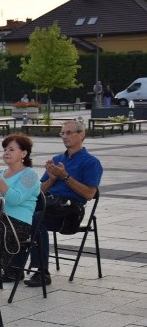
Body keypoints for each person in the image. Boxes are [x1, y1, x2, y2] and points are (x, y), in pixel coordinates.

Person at [24, 120, 102, 287]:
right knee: (18, 215)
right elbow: (40, 191)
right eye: (62, 133)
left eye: (69, 133)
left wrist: (65, 177)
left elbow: (89, 194)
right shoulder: (57, 159)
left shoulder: (91, 162)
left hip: (70, 212)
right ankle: (14, 268)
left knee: (36, 218)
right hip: (50, 206)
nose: (64, 136)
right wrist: (52, 179)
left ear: (81, 135)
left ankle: (41, 271)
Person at [0, 134, 41, 289]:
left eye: (11, 149)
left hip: (18, 225)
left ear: (24, 154)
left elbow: (14, 199)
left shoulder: (30, 174)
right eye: (5, 149)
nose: (6, 152)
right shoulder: (3, 173)